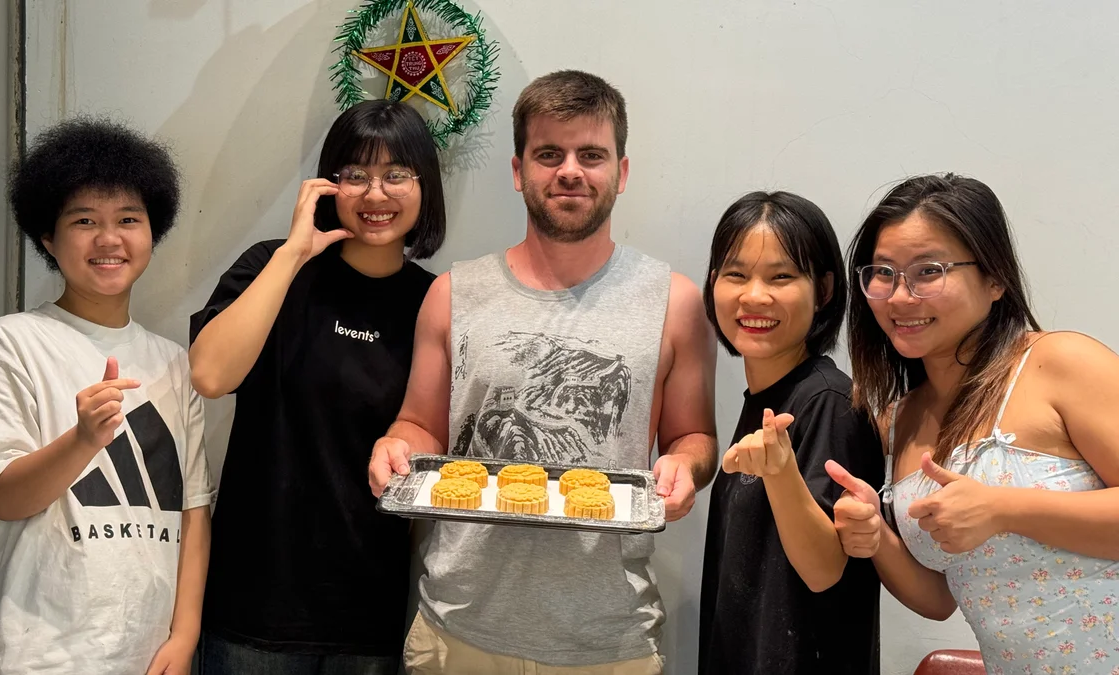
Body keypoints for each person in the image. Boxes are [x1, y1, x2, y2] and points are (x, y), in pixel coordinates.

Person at [368, 69, 718, 674]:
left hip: (610, 640)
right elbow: (419, 425)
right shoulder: (453, 294)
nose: (570, 171)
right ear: (518, 170)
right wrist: (395, 448)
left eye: (592, 154)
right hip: (458, 630)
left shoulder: (675, 302)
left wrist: (685, 466)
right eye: (549, 154)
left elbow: (695, 439)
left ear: (622, 172)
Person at [188, 99, 446, 674]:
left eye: (396, 175)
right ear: (327, 185)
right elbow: (209, 375)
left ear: (425, 185)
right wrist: (293, 253)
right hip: (255, 605)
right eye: (356, 175)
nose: (375, 195)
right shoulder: (272, 267)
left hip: (370, 607)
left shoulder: (436, 301)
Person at [828, 173, 1119, 673]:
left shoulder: (1060, 362)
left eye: (928, 271)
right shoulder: (897, 421)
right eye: (883, 272)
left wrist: (1003, 508)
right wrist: (877, 536)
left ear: (994, 278)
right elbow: (942, 597)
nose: (899, 297)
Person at [0, 118, 214, 675]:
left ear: (152, 232)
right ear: (49, 239)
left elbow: (193, 510)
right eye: (84, 221)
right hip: (41, 653)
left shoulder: (174, 362)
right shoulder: (15, 340)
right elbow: (3, 499)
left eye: (128, 219)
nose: (109, 238)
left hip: (149, 653)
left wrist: (185, 635)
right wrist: (83, 440)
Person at [699, 191, 883, 674]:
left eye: (781, 276)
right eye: (736, 274)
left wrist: (781, 474)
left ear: (823, 290)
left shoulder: (829, 404)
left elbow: (825, 570)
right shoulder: (768, 399)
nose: (754, 296)